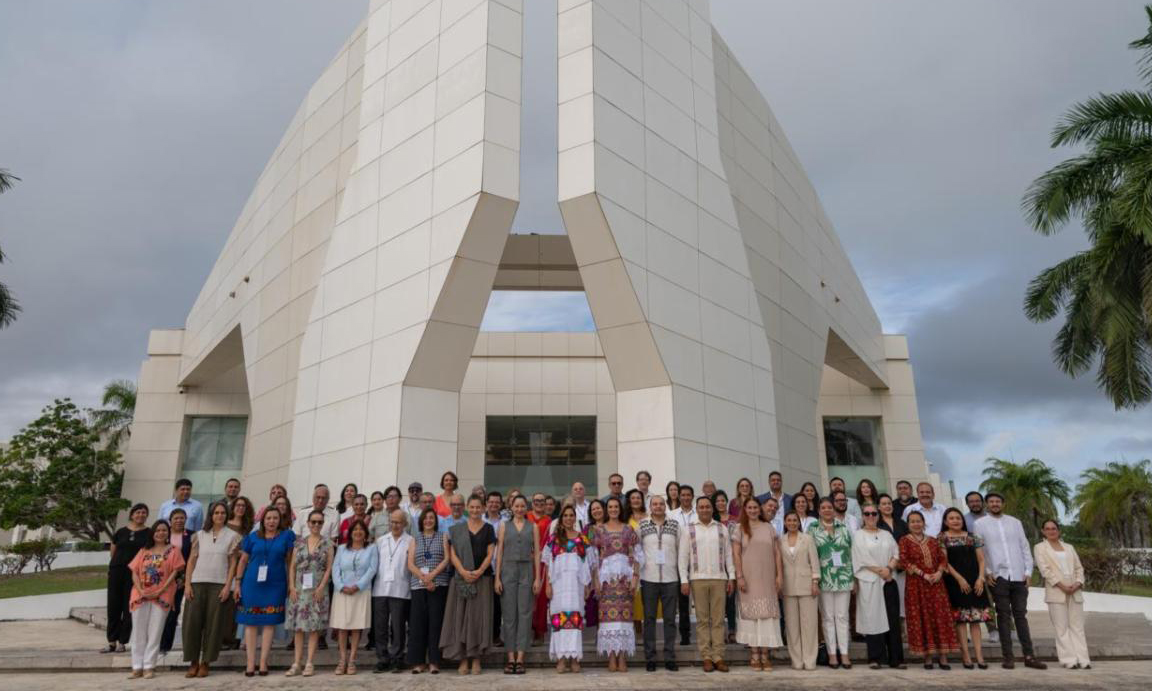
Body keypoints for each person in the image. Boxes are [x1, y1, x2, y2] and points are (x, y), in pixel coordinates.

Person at [974, 493, 1047, 669]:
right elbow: (980, 550)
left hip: (1018, 576)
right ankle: (1008, 657)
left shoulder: (1015, 522)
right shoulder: (979, 524)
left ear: (1003, 504)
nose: (995, 504)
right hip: (998, 577)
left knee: (1021, 616)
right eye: (991, 502)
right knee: (1003, 616)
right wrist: (988, 572)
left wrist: (1028, 571)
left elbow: (1024, 546)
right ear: (987, 504)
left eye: (998, 501)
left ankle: (1029, 656)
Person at [181, 501, 240, 678]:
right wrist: (187, 584)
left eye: (223, 513)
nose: (220, 515)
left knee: (213, 626)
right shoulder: (199, 535)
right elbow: (191, 560)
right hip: (197, 583)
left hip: (219, 584)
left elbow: (233, 563)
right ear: (211, 515)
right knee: (192, 624)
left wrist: (228, 586)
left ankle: (206, 662)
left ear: (227, 515)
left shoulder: (233, 536)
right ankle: (193, 662)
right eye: (216, 513)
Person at [441, 495, 496, 675]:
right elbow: (453, 554)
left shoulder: (488, 529)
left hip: (482, 578)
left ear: (483, 508)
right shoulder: (458, 529)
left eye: (478, 507)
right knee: (461, 617)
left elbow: (490, 553)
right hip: (461, 578)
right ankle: (463, 658)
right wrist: (463, 571)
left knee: (478, 618)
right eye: (471, 507)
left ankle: (476, 658)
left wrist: (479, 571)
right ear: (467, 508)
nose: (475, 510)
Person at [678, 495, 734, 673]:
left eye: (707, 506)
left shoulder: (721, 528)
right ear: (697, 509)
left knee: (718, 619)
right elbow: (683, 557)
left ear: (712, 508)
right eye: (701, 507)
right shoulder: (689, 529)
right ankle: (706, 657)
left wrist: (731, 576)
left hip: (719, 578)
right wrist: (684, 580)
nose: (704, 509)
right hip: (697, 579)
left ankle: (718, 656)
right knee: (702, 620)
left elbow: (728, 555)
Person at [236, 506, 295, 676]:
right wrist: (238, 583)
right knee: (251, 622)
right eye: (268, 518)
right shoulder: (252, 537)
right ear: (263, 520)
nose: (272, 521)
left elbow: (290, 562)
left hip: (276, 584)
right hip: (251, 584)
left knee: (270, 622)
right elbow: (243, 561)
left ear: (280, 520)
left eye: (275, 518)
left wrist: (291, 584)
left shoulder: (287, 536)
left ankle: (263, 662)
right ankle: (250, 663)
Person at [126, 519, 185, 679]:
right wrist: (140, 590)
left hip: (162, 596)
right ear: (153, 533)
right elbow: (134, 572)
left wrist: (160, 590)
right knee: (138, 632)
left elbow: (174, 573)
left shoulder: (174, 550)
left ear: (168, 533)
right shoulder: (144, 550)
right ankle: (136, 666)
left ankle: (149, 666)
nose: (161, 533)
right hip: (141, 595)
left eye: (164, 530)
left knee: (155, 632)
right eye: (158, 530)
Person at [899, 511, 959, 668]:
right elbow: (904, 561)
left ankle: (943, 656)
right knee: (922, 618)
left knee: (940, 617)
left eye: (918, 521)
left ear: (923, 523)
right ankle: (928, 657)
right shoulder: (904, 541)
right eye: (912, 521)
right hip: (916, 586)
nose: (916, 524)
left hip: (936, 585)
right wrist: (923, 574)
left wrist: (939, 573)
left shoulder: (933, 541)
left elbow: (942, 559)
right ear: (908, 524)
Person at [732, 497, 782, 671]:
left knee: (767, 616)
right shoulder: (739, 528)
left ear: (760, 509)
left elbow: (777, 553)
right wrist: (739, 576)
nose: (753, 510)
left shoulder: (769, 528)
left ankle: (765, 654)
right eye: (749, 508)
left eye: (755, 507)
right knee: (752, 617)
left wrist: (779, 576)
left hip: (767, 577)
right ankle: (754, 654)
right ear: (745, 510)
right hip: (748, 578)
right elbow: (736, 554)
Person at [852, 505, 904, 669]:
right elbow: (861, 558)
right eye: (867, 513)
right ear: (862, 516)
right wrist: (881, 571)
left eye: (874, 513)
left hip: (889, 580)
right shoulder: (858, 535)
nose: (871, 516)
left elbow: (896, 553)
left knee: (892, 620)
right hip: (870, 582)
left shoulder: (886, 534)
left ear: (878, 515)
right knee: (873, 619)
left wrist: (888, 569)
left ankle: (896, 659)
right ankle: (875, 658)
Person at [283, 509, 334, 677]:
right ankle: (296, 663)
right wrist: (291, 587)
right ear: (308, 523)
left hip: (317, 591)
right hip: (299, 590)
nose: (316, 525)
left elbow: (329, 568)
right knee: (298, 628)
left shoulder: (328, 544)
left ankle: (310, 663)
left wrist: (321, 587)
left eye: (320, 522)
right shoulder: (299, 543)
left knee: (314, 628)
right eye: (314, 522)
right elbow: (292, 567)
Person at [593, 496, 640, 672]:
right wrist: (596, 581)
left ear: (620, 509)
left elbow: (637, 554)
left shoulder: (629, 529)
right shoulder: (598, 530)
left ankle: (622, 657)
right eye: (610, 507)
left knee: (624, 617)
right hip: (606, 582)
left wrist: (635, 578)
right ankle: (611, 656)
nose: (613, 509)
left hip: (624, 581)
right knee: (608, 619)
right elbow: (593, 557)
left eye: (616, 507)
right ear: (607, 510)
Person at [1035, 519, 1090, 669]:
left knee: (1077, 627)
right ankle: (1069, 660)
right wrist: (1062, 586)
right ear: (1043, 531)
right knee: (1062, 628)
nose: (1051, 531)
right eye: (1047, 529)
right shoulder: (1040, 548)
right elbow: (1045, 571)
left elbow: (1079, 568)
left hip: (1075, 589)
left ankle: (1083, 660)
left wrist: (1078, 583)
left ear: (1058, 530)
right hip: (1056, 590)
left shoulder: (1069, 547)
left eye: (1054, 528)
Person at [494, 495, 540, 674]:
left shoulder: (533, 526)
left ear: (526, 508)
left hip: (526, 571)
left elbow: (537, 553)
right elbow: (499, 552)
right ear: (511, 507)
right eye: (517, 506)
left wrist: (537, 578)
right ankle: (510, 657)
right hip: (508, 570)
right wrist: (497, 578)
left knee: (525, 613)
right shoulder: (504, 526)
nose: (519, 509)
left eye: (522, 506)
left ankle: (520, 657)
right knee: (509, 614)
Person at [544, 505, 592, 673]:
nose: (569, 518)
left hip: (576, 586)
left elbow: (588, 564)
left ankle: (574, 658)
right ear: (561, 518)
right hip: (558, 586)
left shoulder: (582, 539)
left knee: (575, 619)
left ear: (575, 518)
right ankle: (561, 658)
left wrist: (587, 585)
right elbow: (547, 564)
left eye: (571, 515)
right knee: (559, 620)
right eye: (565, 515)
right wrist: (547, 585)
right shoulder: (553, 539)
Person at [939, 507, 990, 669]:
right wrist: (959, 579)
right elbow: (944, 562)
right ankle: (966, 656)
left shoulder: (973, 537)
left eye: (958, 518)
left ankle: (979, 657)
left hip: (975, 582)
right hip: (955, 583)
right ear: (945, 521)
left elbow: (981, 560)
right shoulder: (942, 538)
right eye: (951, 518)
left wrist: (981, 578)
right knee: (960, 621)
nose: (955, 521)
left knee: (975, 621)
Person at [809, 497, 853, 668]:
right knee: (827, 618)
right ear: (819, 511)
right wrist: (813, 579)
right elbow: (810, 555)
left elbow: (851, 552)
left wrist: (854, 578)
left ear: (834, 510)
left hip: (844, 577)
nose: (827, 510)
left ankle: (845, 653)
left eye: (830, 507)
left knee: (842, 617)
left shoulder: (844, 528)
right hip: (824, 578)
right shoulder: (812, 529)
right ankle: (832, 654)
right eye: (824, 507)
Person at [637, 494, 680, 672]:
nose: (658, 507)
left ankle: (670, 657)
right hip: (649, 578)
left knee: (670, 620)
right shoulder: (642, 525)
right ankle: (650, 658)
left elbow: (680, 550)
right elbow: (637, 550)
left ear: (665, 506)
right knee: (649, 620)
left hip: (670, 578)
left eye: (661, 504)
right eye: (654, 504)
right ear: (650, 507)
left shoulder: (675, 525)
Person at [330, 519, 377, 675]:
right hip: (342, 592)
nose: (358, 532)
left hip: (361, 592)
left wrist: (358, 586)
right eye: (355, 529)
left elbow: (372, 569)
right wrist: (341, 586)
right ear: (350, 533)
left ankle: (352, 660)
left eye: (361, 529)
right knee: (342, 627)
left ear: (365, 533)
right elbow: (335, 569)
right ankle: (342, 660)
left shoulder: (371, 548)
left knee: (356, 626)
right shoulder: (342, 548)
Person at [406, 507, 450, 674]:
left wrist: (432, 576)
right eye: (426, 518)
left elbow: (446, 559)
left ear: (435, 521)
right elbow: (410, 563)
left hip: (438, 585)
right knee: (418, 625)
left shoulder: (443, 536)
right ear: (421, 521)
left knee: (435, 624)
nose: (428, 521)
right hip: (419, 586)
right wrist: (424, 578)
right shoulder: (415, 539)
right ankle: (418, 662)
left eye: (431, 518)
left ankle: (434, 661)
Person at [103, 503, 150, 654]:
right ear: (132, 515)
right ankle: (111, 641)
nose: (140, 515)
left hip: (135, 574)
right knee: (113, 607)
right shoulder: (121, 532)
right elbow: (113, 551)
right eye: (138, 512)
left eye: (144, 513)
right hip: (116, 572)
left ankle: (122, 642)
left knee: (128, 608)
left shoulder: (149, 533)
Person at [372, 510, 412, 673]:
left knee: (398, 627)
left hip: (400, 589)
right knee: (380, 627)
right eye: (392, 522)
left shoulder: (410, 541)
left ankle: (397, 658)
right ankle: (382, 659)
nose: (395, 525)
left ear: (405, 524)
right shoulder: (381, 541)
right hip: (380, 589)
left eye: (398, 522)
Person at [779, 511, 820, 670]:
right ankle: (796, 660)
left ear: (799, 522)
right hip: (788, 587)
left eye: (794, 520)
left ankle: (809, 660)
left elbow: (814, 561)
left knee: (809, 625)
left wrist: (815, 581)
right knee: (792, 627)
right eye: (789, 520)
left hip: (807, 585)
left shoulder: (807, 539)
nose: (792, 523)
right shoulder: (780, 540)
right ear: (785, 523)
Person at [159, 509, 194, 654]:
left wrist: (185, 579)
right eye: (176, 518)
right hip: (161, 578)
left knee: (173, 612)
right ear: (170, 520)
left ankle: (165, 645)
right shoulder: (163, 533)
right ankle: (154, 643)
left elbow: (192, 558)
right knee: (159, 611)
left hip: (180, 579)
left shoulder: (191, 536)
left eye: (182, 518)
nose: (179, 521)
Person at [876, 493, 909, 618]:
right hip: (885, 567)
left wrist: (902, 561)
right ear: (878, 507)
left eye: (889, 503)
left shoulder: (901, 523)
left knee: (903, 601)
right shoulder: (876, 524)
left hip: (902, 567)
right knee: (889, 603)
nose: (887, 506)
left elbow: (908, 542)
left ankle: (904, 627)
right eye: (884, 504)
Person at [711, 490, 738, 643]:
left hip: (732, 562)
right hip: (715, 563)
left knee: (731, 599)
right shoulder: (711, 520)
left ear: (727, 502)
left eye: (723, 500)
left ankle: (732, 630)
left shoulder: (735, 520)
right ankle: (720, 631)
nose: (720, 503)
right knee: (717, 600)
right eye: (717, 501)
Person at [529, 492, 553, 642]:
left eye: (542, 501)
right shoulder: (526, 516)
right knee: (527, 597)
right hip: (527, 560)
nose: (539, 503)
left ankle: (540, 632)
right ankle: (527, 630)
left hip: (542, 562)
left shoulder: (549, 521)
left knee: (541, 598)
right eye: (536, 500)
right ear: (532, 502)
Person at [625, 488, 648, 636]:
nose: (636, 500)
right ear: (629, 501)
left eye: (638, 498)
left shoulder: (649, 517)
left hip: (649, 559)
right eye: (633, 498)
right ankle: (637, 631)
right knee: (634, 594)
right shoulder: (624, 518)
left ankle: (648, 630)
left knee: (648, 595)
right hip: (631, 561)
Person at [583, 499, 606, 631]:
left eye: (598, 508)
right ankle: (599, 634)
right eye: (593, 509)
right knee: (595, 604)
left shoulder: (610, 525)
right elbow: (586, 549)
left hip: (609, 569)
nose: (596, 511)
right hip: (594, 570)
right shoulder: (589, 529)